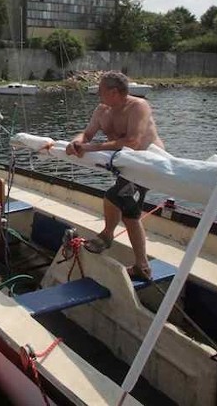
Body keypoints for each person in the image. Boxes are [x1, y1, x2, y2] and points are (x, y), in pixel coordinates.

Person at [65, 71, 164, 281]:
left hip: (146, 165)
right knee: (129, 213)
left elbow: (133, 142)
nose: (98, 94)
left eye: (101, 90)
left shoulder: (138, 107)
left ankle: (107, 236)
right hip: (126, 167)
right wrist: (76, 143)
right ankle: (142, 266)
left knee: (114, 197)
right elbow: (87, 133)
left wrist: (91, 147)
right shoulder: (102, 110)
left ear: (114, 92)